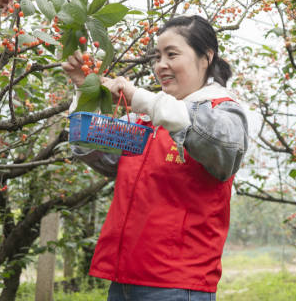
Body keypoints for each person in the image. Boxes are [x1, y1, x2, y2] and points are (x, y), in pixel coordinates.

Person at [62, 15, 248, 301]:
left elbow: (221, 148)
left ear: (206, 58)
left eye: (172, 54)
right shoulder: (147, 120)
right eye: (157, 56)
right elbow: (94, 150)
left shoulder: (223, 112)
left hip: (177, 285)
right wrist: (84, 90)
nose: (161, 65)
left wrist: (142, 99)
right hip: (124, 280)